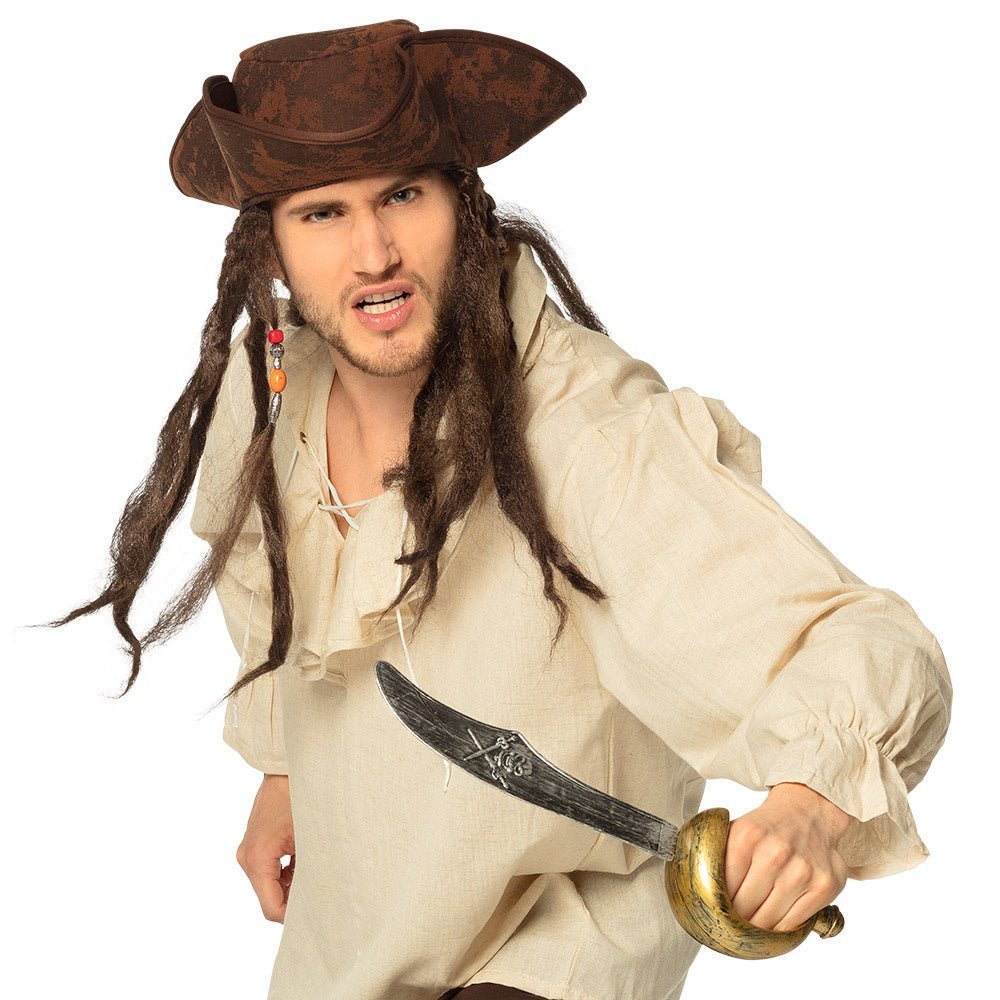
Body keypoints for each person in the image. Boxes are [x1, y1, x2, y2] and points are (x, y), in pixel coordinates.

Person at [48, 20, 952, 1000]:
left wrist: (812, 803)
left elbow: (861, 640)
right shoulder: (267, 393)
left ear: (462, 203)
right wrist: (282, 767)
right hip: (360, 925)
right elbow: (259, 578)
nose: (374, 253)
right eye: (323, 213)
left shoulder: (586, 429)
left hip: (556, 943)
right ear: (271, 245)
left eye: (403, 194)